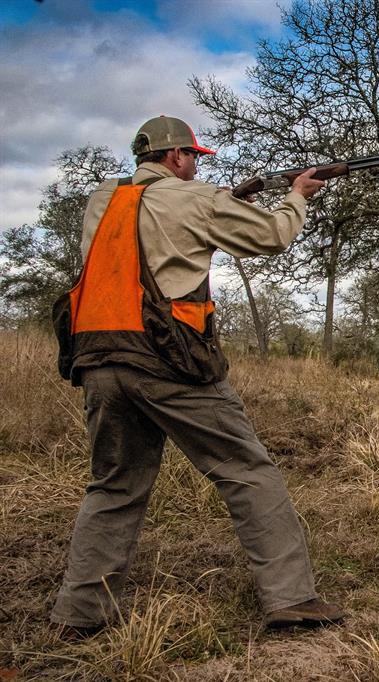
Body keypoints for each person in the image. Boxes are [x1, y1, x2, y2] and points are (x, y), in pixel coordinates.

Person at [50, 115, 341, 639]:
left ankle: (79, 613)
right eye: (193, 158)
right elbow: (272, 235)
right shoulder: (195, 198)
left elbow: (153, 230)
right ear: (175, 156)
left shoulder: (102, 199)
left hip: (98, 358)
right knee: (248, 471)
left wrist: (227, 197)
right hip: (168, 359)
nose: (196, 168)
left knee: (113, 486)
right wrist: (296, 195)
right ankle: (291, 598)